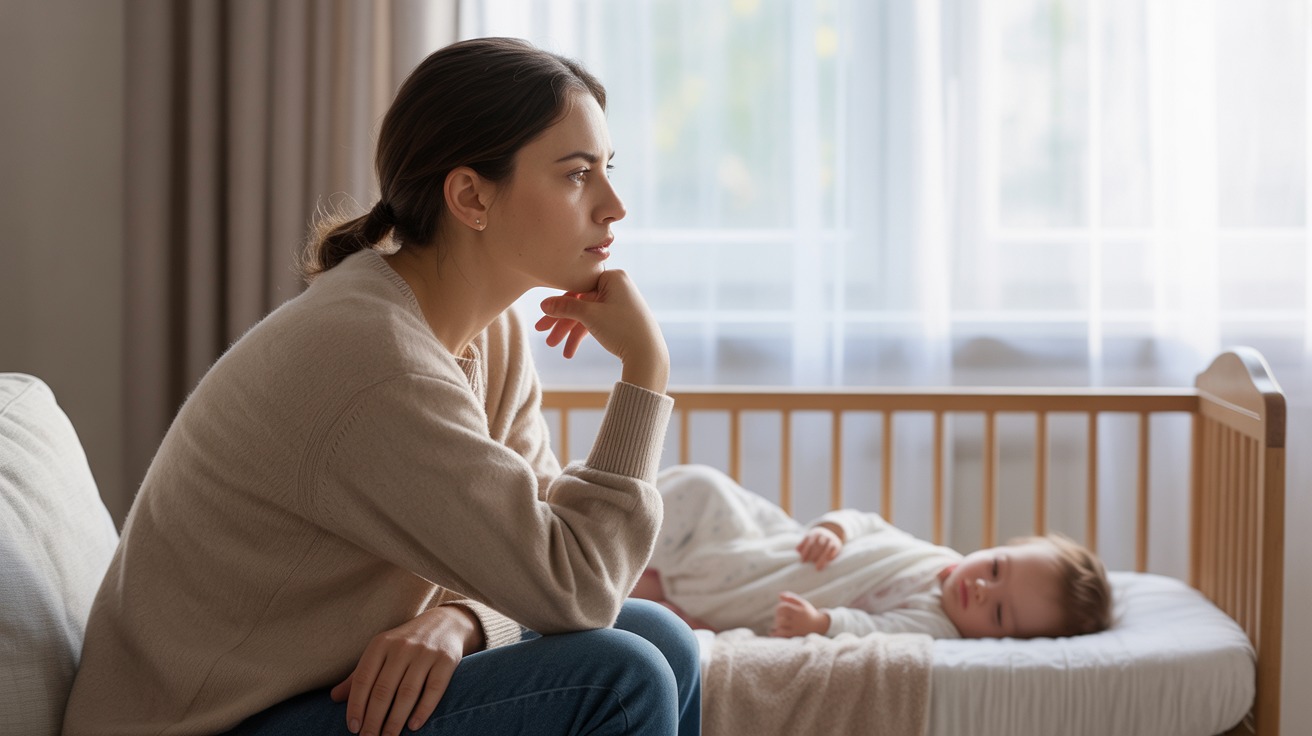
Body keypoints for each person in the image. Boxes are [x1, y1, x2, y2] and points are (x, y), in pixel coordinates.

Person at [63, 38, 699, 736]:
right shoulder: (374, 361)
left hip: (304, 695)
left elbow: (538, 550)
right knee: (621, 676)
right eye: (577, 174)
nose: (614, 206)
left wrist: (465, 620)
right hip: (206, 725)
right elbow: (576, 583)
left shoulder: (489, 336)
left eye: (607, 168)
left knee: (661, 637)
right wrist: (646, 371)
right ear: (471, 196)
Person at [632, 464, 1112, 641]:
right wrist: (836, 529)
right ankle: (612, 518)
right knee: (709, 489)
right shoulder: (937, 556)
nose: (983, 589)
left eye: (1001, 613)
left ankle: (618, 550)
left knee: (667, 580)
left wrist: (822, 623)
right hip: (784, 545)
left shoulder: (936, 624)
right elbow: (871, 525)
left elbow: (875, 631)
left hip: (764, 585)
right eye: (996, 568)